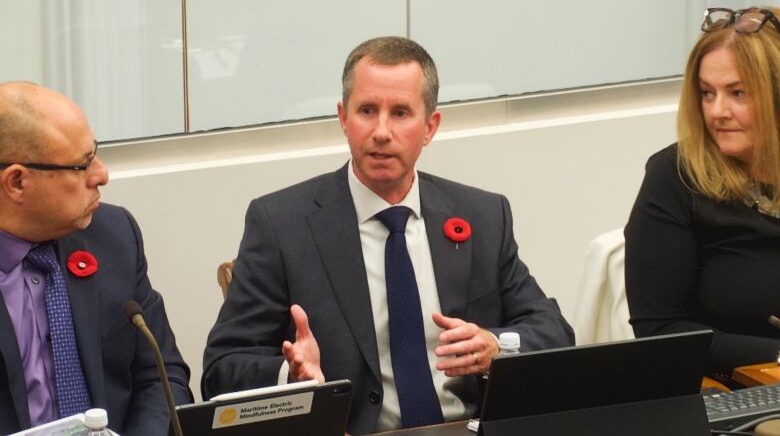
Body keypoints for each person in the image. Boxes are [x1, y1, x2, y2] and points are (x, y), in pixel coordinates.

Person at [202, 36, 574, 434]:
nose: (381, 131)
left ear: (430, 126)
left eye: (400, 113)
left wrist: (495, 345)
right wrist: (293, 377)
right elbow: (221, 368)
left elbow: (554, 332)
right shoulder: (282, 224)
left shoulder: (482, 215)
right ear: (344, 118)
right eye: (367, 110)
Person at [0, 82, 192, 434]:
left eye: (95, 153)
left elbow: (161, 377)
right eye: (81, 166)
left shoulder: (113, 235)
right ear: (17, 183)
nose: (102, 175)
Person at [625, 7, 780, 380]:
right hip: (730, 389)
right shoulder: (675, 176)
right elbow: (659, 331)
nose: (717, 111)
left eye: (739, 94)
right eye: (707, 93)